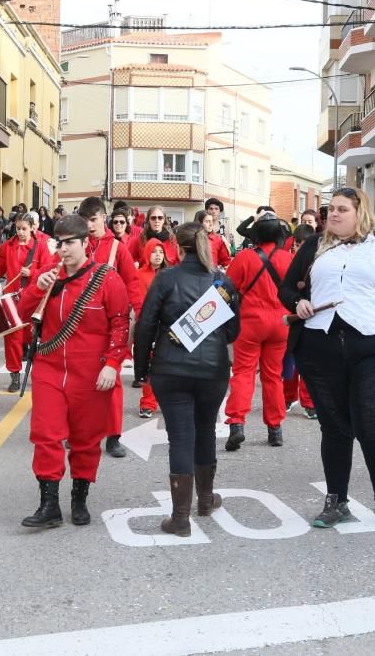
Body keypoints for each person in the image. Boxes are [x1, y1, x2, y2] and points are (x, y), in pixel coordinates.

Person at [281, 186, 375, 529]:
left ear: (361, 212)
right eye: (331, 209)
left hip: (373, 348)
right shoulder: (313, 246)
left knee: (374, 426)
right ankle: (336, 500)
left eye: (342, 209)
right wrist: (297, 303)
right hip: (319, 348)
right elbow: (286, 287)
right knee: (335, 428)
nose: (334, 215)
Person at [18, 215, 129, 528]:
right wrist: (34, 291)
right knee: (45, 435)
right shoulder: (48, 275)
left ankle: (79, 498)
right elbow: (25, 316)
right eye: (59, 242)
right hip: (50, 366)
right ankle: (49, 504)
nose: (63, 249)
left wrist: (112, 364)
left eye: (70, 243)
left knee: (86, 439)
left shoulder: (107, 279)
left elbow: (120, 323)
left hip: (90, 371)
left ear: (85, 244)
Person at [134, 223, 240, 536]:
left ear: (177, 249)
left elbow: (145, 325)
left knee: (180, 437)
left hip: (171, 369)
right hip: (212, 370)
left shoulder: (166, 278)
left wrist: (141, 369)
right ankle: (205, 500)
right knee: (205, 429)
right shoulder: (222, 282)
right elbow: (233, 332)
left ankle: (180, 517)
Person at [77, 197, 143, 458]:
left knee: (112, 381)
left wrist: (138, 317)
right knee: (80, 382)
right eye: (85, 221)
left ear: (103, 217)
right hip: (80, 326)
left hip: (111, 326)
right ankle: (80, 432)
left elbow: (132, 284)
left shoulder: (118, 248)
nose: (89, 225)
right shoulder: (76, 245)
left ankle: (113, 435)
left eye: (93, 219)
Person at [224, 210, 293, 450]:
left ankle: (236, 423)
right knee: (273, 376)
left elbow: (228, 288)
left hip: (251, 323)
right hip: (280, 323)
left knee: (243, 373)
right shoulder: (288, 259)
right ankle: (275, 429)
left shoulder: (244, 257)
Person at [0, 213, 51, 392]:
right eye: (18, 228)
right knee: (12, 339)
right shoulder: (7, 247)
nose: (20, 232)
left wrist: (32, 274)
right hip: (12, 299)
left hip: (32, 298)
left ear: (32, 228)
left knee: (34, 338)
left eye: (24, 229)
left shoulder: (41, 247)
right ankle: (15, 375)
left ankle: (38, 373)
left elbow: (48, 270)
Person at [282, 224, 317, 419]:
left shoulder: (322, 261)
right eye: (298, 243)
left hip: (311, 316)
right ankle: (288, 396)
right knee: (290, 361)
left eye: (304, 244)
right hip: (290, 315)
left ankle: (309, 402)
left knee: (308, 362)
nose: (301, 247)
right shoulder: (287, 260)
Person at [135, 238, 167, 418]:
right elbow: (139, 301)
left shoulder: (169, 274)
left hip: (166, 325)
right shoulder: (139, 274)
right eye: (154, 251)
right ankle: (148, 403)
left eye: (161, 252)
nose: (157, 255)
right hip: (147, 326)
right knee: (147, 365)